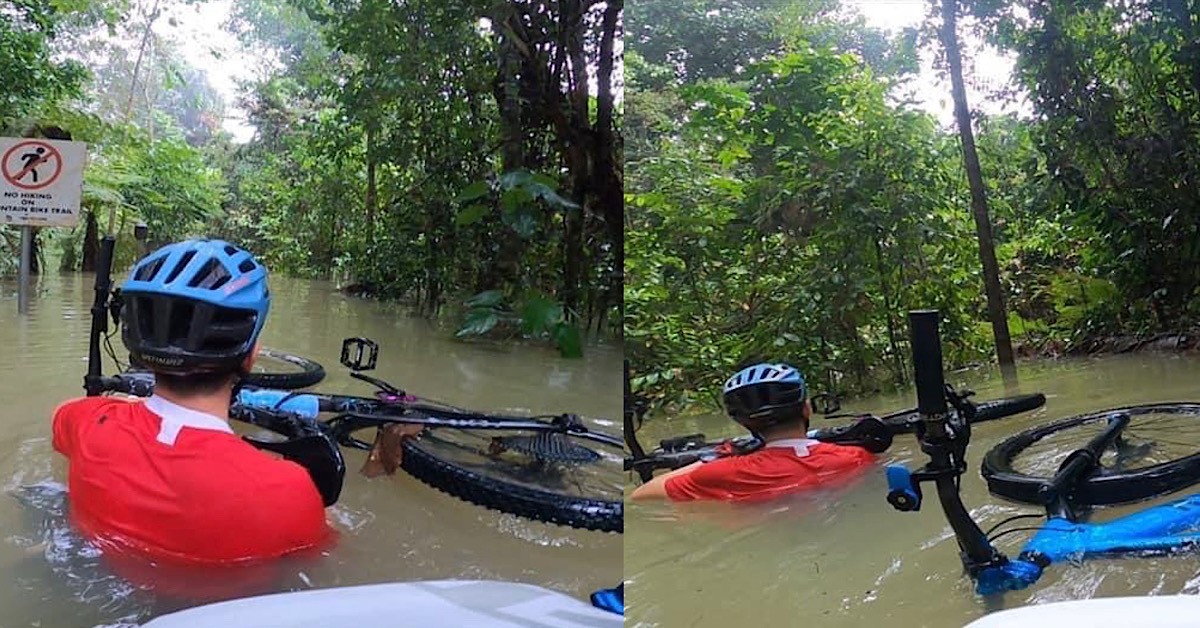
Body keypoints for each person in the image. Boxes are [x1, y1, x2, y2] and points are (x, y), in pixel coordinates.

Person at [52, 239, 332, 597]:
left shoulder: (87, 424)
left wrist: (121, 407)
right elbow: (321, 559)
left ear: (136, 344)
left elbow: (63, 415)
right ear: (250, 357)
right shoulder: (288, 491)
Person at [630, 362, 875, 502]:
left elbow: (640, 496)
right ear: (807, 408)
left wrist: (717, 456)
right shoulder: (857, 457)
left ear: (742, 422)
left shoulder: (721, 473)